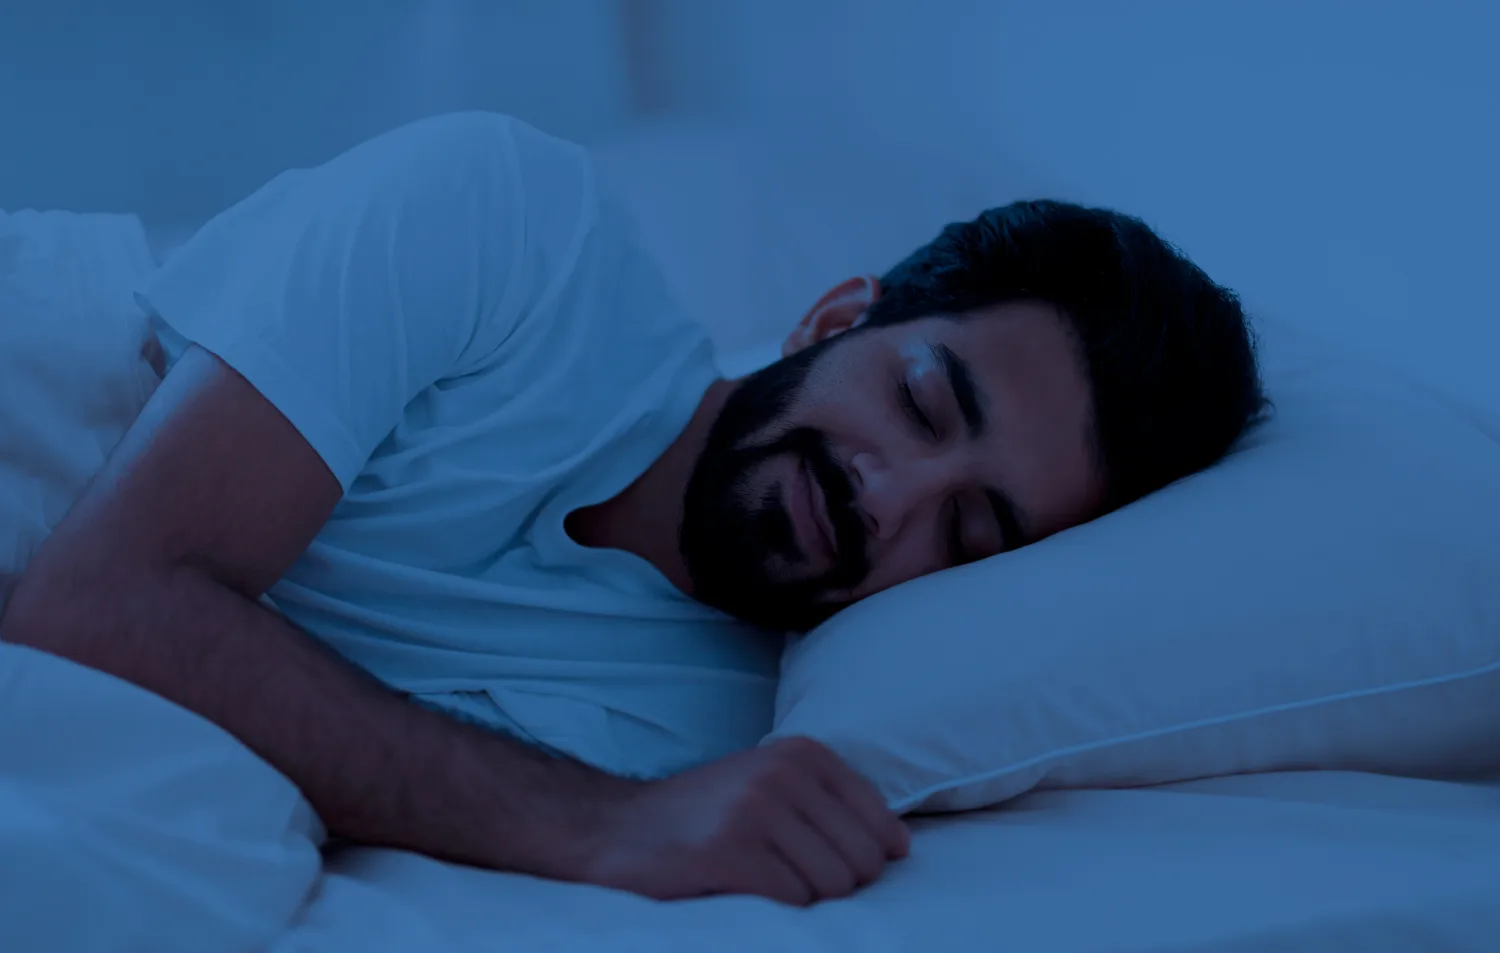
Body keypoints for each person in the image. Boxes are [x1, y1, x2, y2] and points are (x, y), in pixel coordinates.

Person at [0, 112, 1265, 907]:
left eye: (975, 533)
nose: (892, 500)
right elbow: (97, 602)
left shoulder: (727, 731)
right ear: (836, 318)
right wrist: (596, 824)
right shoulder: (513, 228)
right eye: (923, 403)